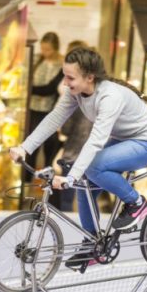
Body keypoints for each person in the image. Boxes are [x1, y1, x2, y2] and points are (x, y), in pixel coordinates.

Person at [10, 47, 147, 269]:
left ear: (89, 77)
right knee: (85, 183)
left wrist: (70, 177)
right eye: (65, 75)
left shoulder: (109, 96)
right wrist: (25, 147)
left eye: (70, 77)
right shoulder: (75, 93)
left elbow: (95, 141)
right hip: (124, 140)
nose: (65, 82)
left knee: (92, 168)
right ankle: (92, 243)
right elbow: (54, 119)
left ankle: (136, 203)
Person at [55, 40, 93, 212]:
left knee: (67, 200)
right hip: (95, 157)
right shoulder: (101, 95)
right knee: (89, 201)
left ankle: (66, 232)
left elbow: (66, 128)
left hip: (74, 153)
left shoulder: (76, 96)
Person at [25, 32, 63, 183]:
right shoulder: (36, 60)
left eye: (48, 49)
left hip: (50, 112)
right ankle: (26, 180)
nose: (45, 52)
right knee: (30, 147)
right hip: (33, 109)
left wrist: (30, 89)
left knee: (49, 148)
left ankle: (48, 183)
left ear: (55, 48)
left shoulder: (61, 65)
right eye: (43, 49)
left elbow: (50, 89)